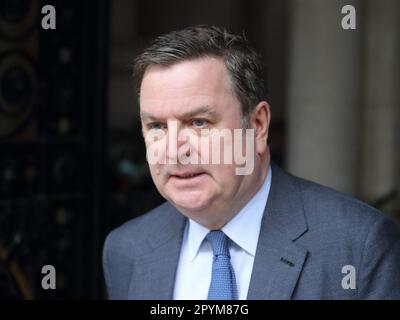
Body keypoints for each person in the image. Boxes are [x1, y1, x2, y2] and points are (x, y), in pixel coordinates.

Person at [102, 25, 400, 300]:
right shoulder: (126, 249)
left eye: (199, 122)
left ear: (257, 126)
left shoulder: (359, 245)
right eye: (156, 126)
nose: (173, 150)